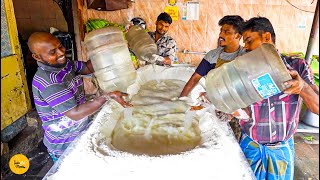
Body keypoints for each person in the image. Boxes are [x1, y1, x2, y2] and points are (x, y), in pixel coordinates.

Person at [237, 17, 319, 180]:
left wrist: (302, 88)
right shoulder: (243, 71)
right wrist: (232, 109)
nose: (245, 47)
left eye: (248, 40)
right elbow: (244, 110)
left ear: (266, 37)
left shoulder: (298, 66)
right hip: (251, 144)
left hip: (281, 149)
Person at [28, 32, 131, 162]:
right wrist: (107, 96)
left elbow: (87, 68)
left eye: (60, 47)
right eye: (52, 52)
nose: (61, 53)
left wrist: (107, 51)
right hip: (64, 145)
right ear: (37, 56)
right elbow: (75, 113)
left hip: (78, 132)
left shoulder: (66, 65)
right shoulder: (49, 82)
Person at [180, 15, 245, 140]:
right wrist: (181, 100)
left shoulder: (245, 56)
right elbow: (195, 78)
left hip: (237, 112)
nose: (221, 34)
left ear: (238, 35)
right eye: (221, 30)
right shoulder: (213, 55)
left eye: (226, 32)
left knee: (233, 142)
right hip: (216, 108)